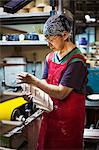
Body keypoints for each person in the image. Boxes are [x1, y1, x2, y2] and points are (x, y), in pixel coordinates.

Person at [17, 11, 88, 150]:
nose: (49, 45)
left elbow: (61, 93)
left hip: (68, 121)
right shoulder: (50, 57)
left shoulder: (76, 61)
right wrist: (33, 95)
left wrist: (33, 81)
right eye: (47, 40)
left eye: (51, 40)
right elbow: (43, 83)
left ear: (65, 35)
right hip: (50, 115)